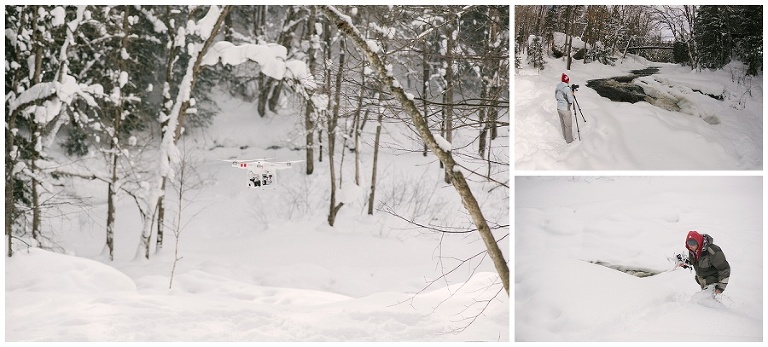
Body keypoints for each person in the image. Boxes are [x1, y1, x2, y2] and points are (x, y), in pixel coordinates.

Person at [555, 72, 575, 143]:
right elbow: (571, 100)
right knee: (568, 126)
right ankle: (569, 141)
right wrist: (572, 93)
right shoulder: (567, 89)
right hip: (565, 110)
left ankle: (565, 137)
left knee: (563, 124)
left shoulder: (558, 86)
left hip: (559, 108)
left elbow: (556, 97)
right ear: (567, 80)